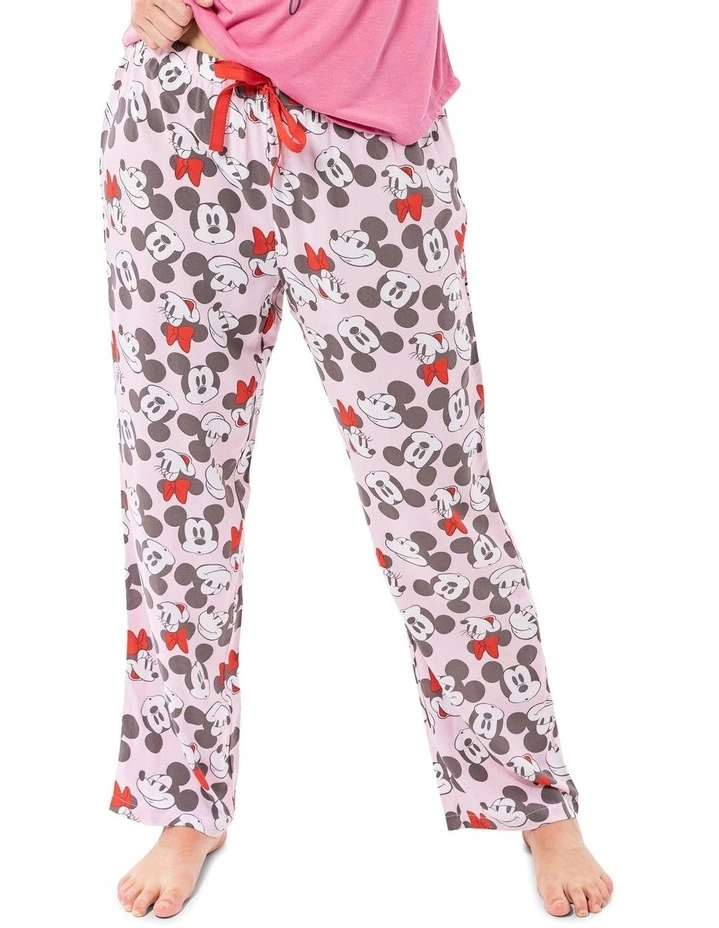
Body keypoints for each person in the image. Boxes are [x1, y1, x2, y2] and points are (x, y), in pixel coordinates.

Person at [101, 0, 614, 919]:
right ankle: (183, 796)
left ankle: (531, 791)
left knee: (436, 498)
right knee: (175, 491)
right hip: (179, 117)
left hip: (368, 140)